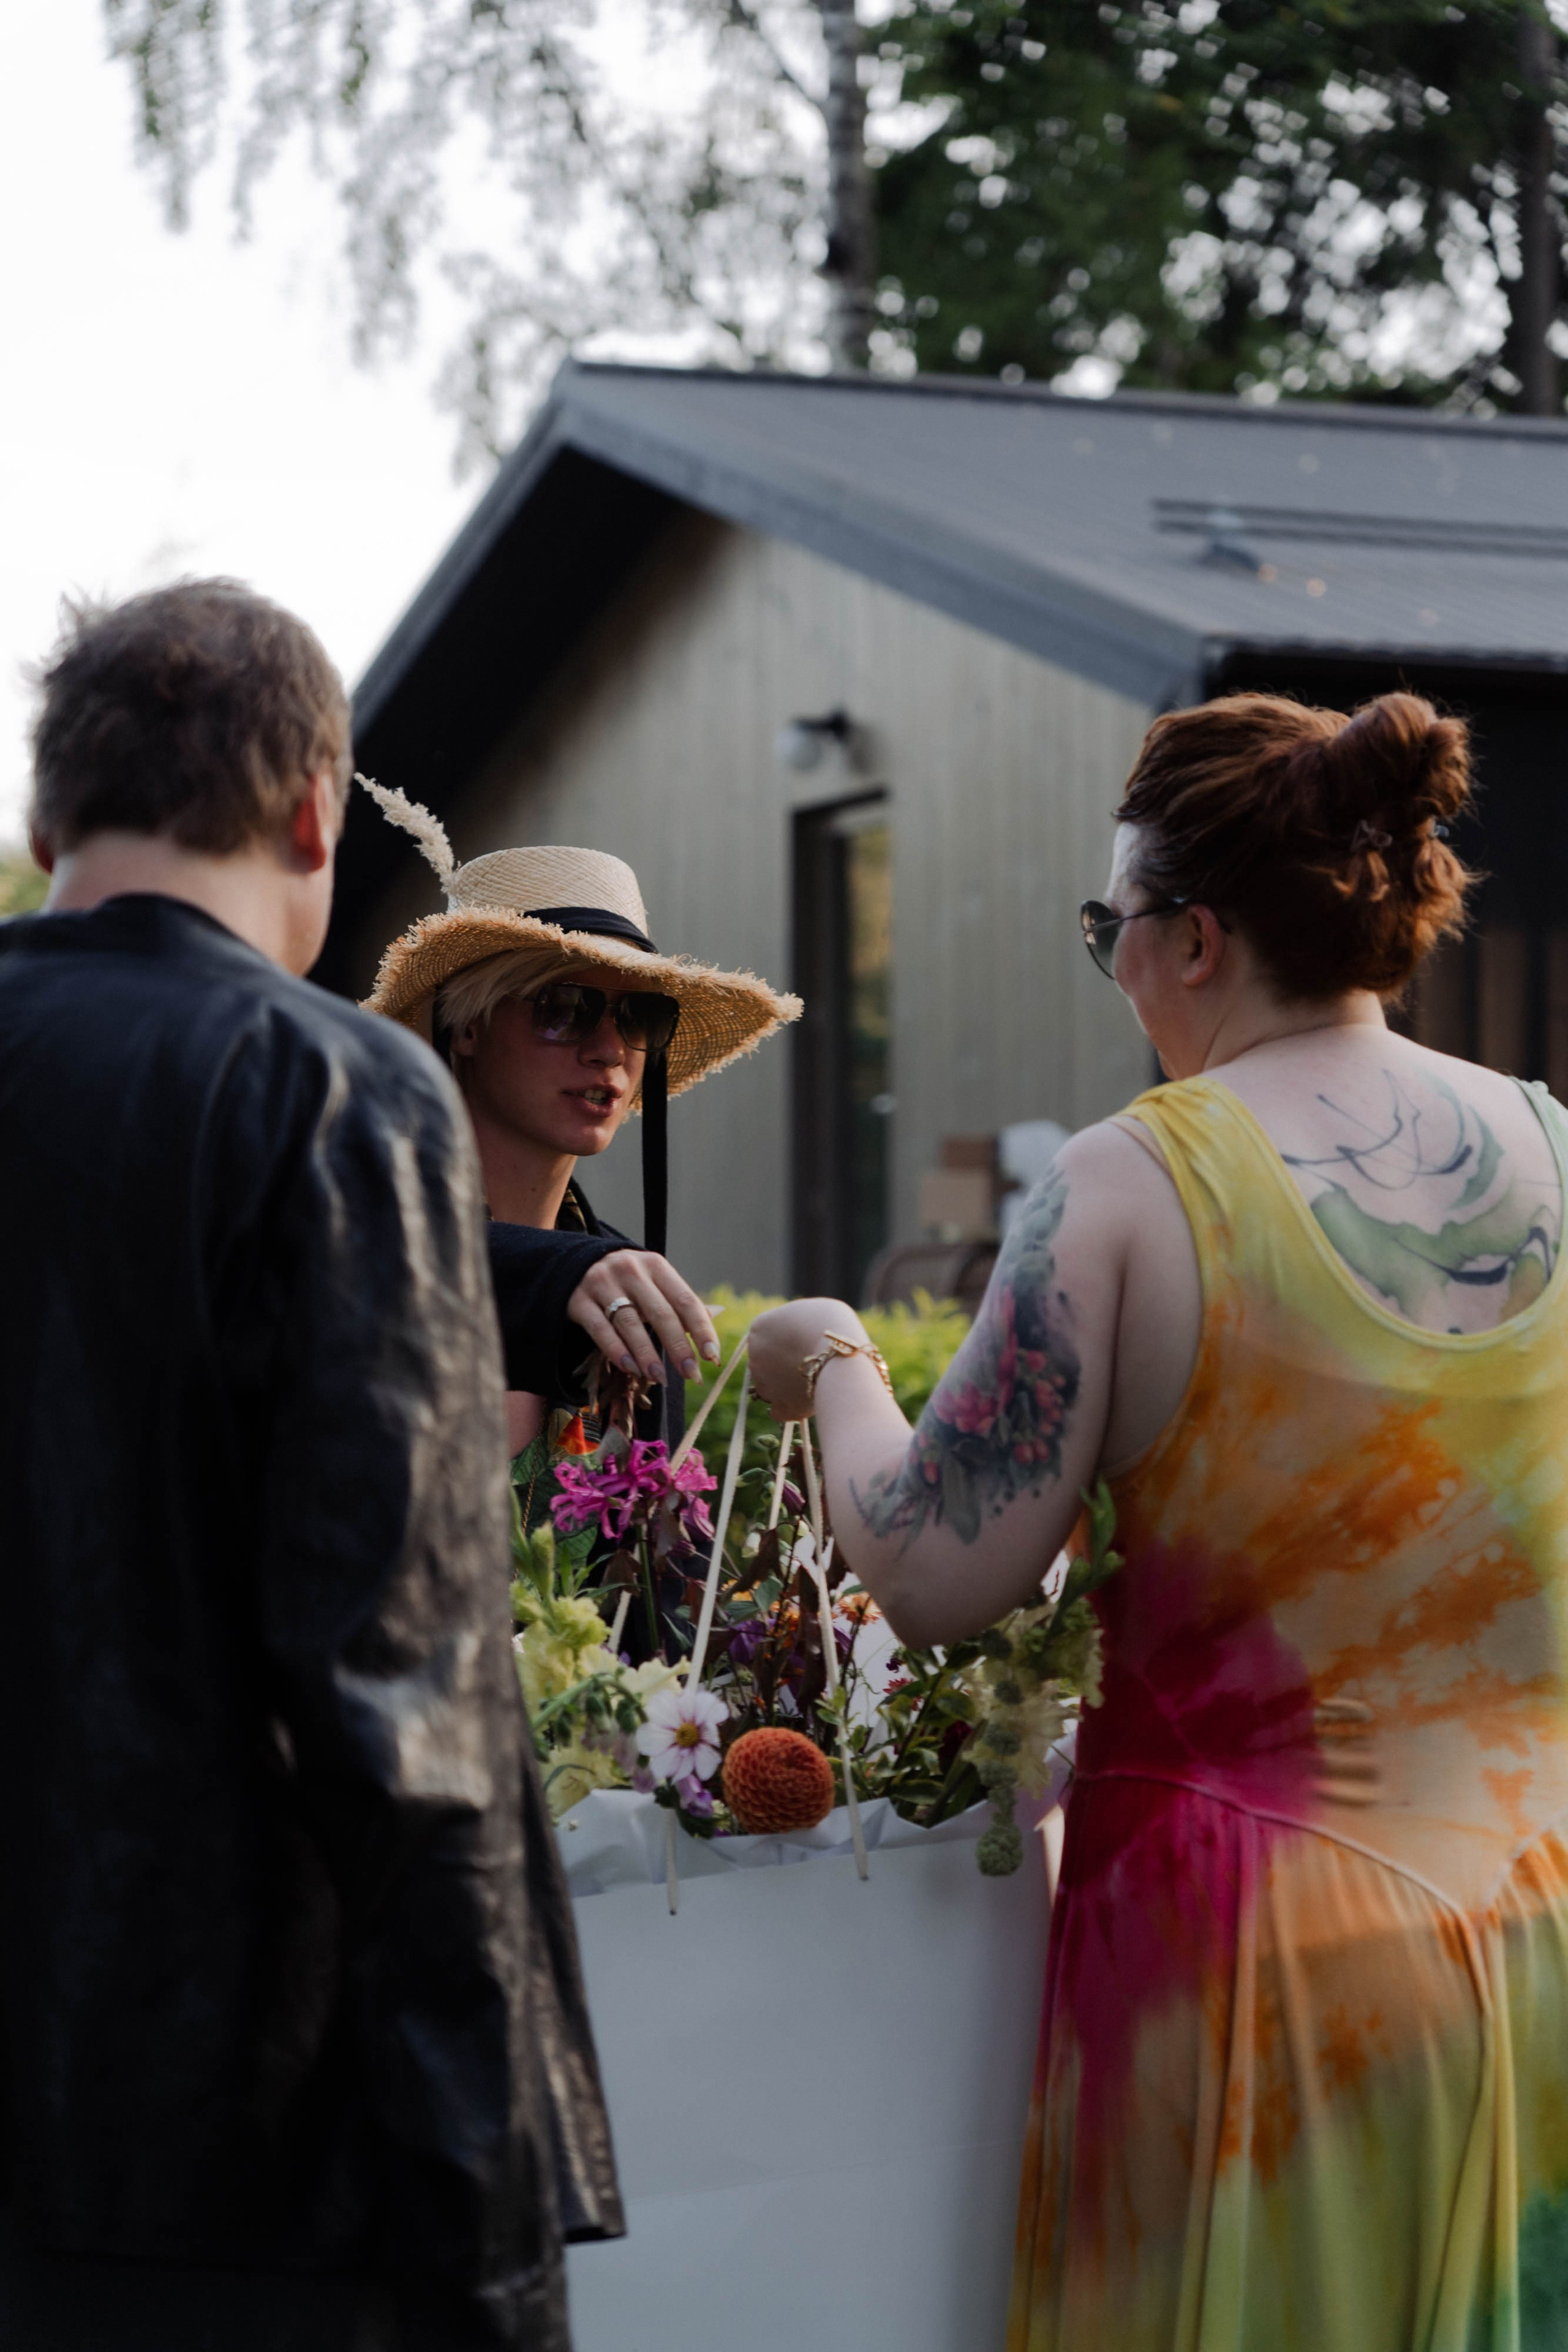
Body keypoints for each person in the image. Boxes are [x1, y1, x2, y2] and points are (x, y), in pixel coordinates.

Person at [749, 689, 1568, 2351]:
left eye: (1108, 929)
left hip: (1263, 1963)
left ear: (1193, 939)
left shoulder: (1137, 1182)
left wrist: (830, 1357)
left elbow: (931, 1568)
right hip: (1540, 1913)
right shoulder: (1553, 1144)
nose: (1113, 969)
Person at [0, 579, 619, 2351]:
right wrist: (499, 2242)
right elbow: (403, 1700)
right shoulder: (329, 1089)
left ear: (50, 820)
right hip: (229, 2144)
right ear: (308, 818)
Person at [360, 785, 798, 1506]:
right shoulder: (347, 1238)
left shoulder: (626, 1297)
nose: (608, 1051)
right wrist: (561, 1273)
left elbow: (644, 1604)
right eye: (564, 1010)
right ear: (467, 1027)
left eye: (638, 1017)